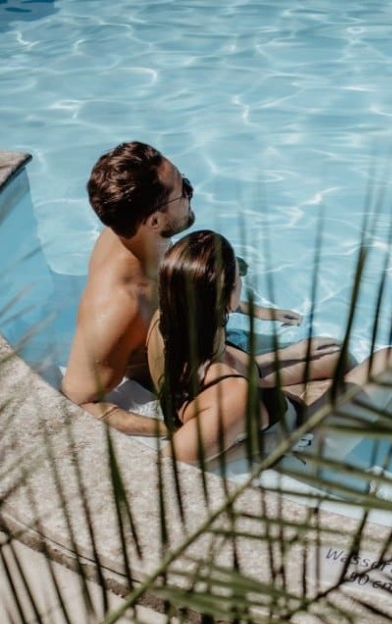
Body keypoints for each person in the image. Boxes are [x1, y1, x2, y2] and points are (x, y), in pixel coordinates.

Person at [62, 141, 341, 435]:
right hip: (196, 383)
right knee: (342, 385)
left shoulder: (137, 234)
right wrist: (176, 432)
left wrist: (253, 309)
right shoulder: (121, 307)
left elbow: (179, 288)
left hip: (208, 346)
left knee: (337, 356)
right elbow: (80, 399)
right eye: (183, 190)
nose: (191, 193)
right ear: (154, 220)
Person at [151, 230, 392, 465]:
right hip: (308, 442)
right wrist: (265, 446)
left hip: (274, 407)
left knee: (335, 356)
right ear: (227, 294)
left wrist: (290, 353)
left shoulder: (173, 328)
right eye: (237, 277)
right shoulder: (232, 397)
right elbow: (173, 461)